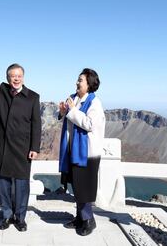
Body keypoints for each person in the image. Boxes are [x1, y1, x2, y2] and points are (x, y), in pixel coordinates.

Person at [0, 48, 41, 232]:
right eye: (13, 76)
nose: (16, 78)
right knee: (3, 184)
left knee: (22, 185)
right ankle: (6, 215)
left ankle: (20, 218)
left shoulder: (32, 97)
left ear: (23, 77)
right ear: (8, 78)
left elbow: (36, 125)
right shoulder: (2, 92)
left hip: (23, 148)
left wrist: (34, 147)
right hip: (3, 147)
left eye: (19, 75)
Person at [58, 68, 105, 236]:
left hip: (87, 154)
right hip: (74, 150)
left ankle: (89, 220)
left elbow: (89, 124)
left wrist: (71, 111)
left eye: (80, 80)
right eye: (77, 80)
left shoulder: (94, 103)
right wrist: (63, 112)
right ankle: (79, 217)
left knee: (84, 188)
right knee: (77, 186)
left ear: (89, 84)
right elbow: (70, 119)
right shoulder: (75, 98)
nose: (77, 83)